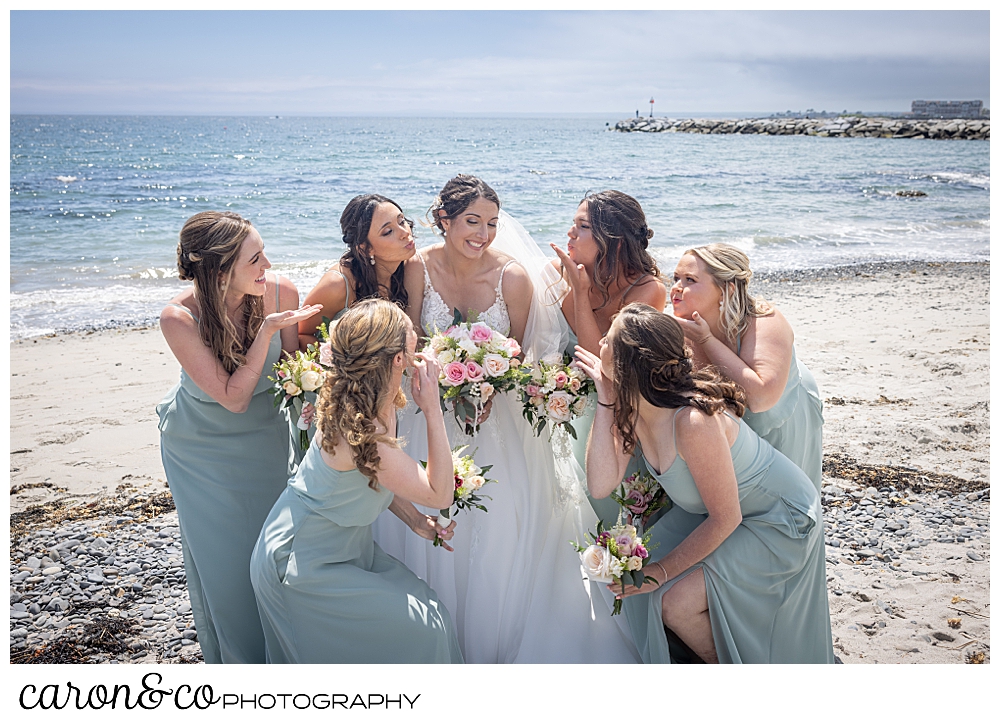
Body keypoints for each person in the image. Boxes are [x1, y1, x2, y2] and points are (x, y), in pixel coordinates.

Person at [373, 174, 640, 664]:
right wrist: (444, 378)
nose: (483, 234)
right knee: (429, 510)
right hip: (430, 407)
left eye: (492, 223)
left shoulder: (512, 277)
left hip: (497, 419)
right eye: (472, 221)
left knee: (499, 522)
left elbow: (519, 356)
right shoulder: (417, 268)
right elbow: (410, 338)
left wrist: (489, 382)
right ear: (444, 220)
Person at [576, 303, 835, 664]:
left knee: (674, 603)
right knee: (631, 583)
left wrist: (660, 572)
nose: (600, 342)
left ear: (626, 363)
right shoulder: (633, 407)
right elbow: (601, 484)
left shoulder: (692, 421)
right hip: (712, 511)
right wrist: (606, 396)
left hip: (776, 516)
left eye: (609, 339)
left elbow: (725, 517)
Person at [250, 300, 464, 663]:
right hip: (304, 560)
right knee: (425, 631)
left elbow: (373, 474)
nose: (417, 331)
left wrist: (414, 520)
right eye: (408, 328)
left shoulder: (366, 397)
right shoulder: (362, 428)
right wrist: (432, 408)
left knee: (431, 617)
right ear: (398, 359)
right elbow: (440, 492)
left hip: (347, 547)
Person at [156, 211, 322, 663]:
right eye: (255, 257)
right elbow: (233, 398)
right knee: (226, 566)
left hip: (267, 439)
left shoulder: (281, 290)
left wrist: (313, 393)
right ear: (219, 269)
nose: (267, 263)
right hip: (203, 452)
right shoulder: (178, 318)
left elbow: (293, 372)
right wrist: (266, 329)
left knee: (277, 557)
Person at [548, 190, 667, 525]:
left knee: (614, 514)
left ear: (613, 241)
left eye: (582, 226)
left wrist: (580, 292)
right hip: (571, 412)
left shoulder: (648, 290)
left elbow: (602, 362)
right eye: (573, 224)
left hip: (617, 413)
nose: (570, 233)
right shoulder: (565, 274)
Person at [669, 243, 823, 490]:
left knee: (788, 491)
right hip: (736, 425)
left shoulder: (763, 319)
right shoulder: (683, 325)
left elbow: (761, 397)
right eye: (675, 278)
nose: (676, 287)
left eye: (690, 280)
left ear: (725, 289)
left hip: (785, 407)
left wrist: (706, 340)